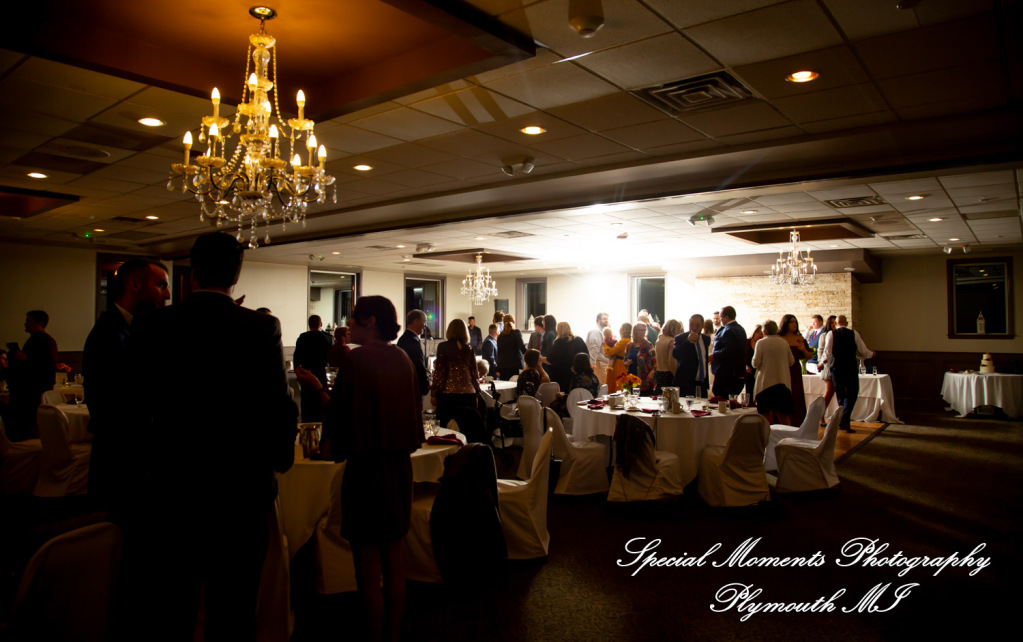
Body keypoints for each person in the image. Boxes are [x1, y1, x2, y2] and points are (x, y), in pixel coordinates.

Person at [128, 232, 297, 640]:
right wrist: (278, 458)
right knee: (235, 608)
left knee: (171, 605)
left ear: (192, 272)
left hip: (173, 486)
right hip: (241, 489)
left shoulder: (152, 324)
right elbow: (277, 404)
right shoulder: (259, 327)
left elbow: (134, 405)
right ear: (236, 276)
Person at [314, 295, 422, 642]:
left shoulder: (357, 360)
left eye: (354, 319)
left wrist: (318, 392)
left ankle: (374, 636)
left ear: (370, 320)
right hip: (397, 469)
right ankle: (391, 634)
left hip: (366, 471)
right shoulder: (403, 358)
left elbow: (343, 420)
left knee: (367, 566)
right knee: (394, 560)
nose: (348, 325)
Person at [84, 259, 170, 513]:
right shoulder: (109, 335)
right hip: (122, 466)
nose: (166, 294)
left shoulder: (132, 329)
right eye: (161, 285)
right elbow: (124, 407)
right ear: (134, 284)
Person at [5, 310, 58, 440]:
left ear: (39, 323)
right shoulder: (38, 340)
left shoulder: (45, 341)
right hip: (31, 392)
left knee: (31, 427)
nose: (25, 324)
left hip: (34, 393)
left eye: (29, 321)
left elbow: (46, 367)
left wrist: (25, 359)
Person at [825, 315, 875, 433]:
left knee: (841, 394)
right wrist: (871, 354)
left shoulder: (831, 334)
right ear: (846, 323)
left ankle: (843, 420)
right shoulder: (854, 334)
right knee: (853, 392)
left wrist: (822, 363)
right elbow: (863, 350)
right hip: (850, 366)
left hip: (837, 367)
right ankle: (845, 420)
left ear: (836, 324)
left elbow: (828, 353)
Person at [431, 319, 481, 429]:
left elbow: (439, 373)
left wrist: (434, 393)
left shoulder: (443, 347)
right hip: (469, 394)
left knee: (445, 429)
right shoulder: (469, 348)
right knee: (468, 429)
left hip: (448, 394)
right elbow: (474, 373)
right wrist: (477, 393)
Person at [751, 319, 795, 425]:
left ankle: (766, 438)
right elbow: (791, 361)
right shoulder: (784, 343)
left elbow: (755, 363)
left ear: (764, 331)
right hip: (782, 383)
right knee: (784, 417)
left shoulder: (761, 343)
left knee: (764, 416)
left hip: (765, 385)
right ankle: (788, 438)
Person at [294, 314, 333, 421]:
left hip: (307, 373)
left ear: (309, 324)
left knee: (307, 404)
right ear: (321, 324)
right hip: (322, 374)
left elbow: (296, 358)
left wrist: (299, 374)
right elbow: (331, 359)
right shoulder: (327, 338)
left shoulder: (302, 338)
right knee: (321, 404)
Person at [778, 314, 814, 426]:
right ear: (785, 324)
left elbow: (809, 355)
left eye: (795, 322)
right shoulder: (778, 337)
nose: (794, 324)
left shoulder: (799, 338)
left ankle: (797, 422)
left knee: (796, 394)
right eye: (791, 322)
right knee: (782, 394)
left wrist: (803, 349)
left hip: (795, 370)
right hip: (781, 369)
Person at [710, 305, 747, 398]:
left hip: (726, 374)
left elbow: (728, 350)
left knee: (721, 398)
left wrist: (713, 355)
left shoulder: (728, 330)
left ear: (726, 317)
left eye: (721, 317)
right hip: (737, 373)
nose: (720, 320)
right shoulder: (741, 329)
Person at [672, 314, 710, 397]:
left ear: (702, 325)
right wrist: (688, 341)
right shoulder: (681, 338)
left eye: (697, 325)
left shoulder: (706, 339)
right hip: (686, 382)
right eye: (691, 325)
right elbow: (676, 354)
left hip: (702, 382)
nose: (694, 328)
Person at [545, 321, 588, 391]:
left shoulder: (559, 342)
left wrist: (542, 359)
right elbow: (586, 354)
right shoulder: (579, 339)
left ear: (558, 330)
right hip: (579, 372)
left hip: (564, 374)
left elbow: (553, 359)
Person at [397, 309, 429, 396]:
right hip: (412, 388)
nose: (425, 325)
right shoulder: (411, 340)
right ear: (416, 321)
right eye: (424, 321)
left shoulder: (406, 338)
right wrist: (425, 386)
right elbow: (418, 365)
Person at [816, 315, 838, 422]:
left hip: (838, 366)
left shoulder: (840, 335)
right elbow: (820, 350)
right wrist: (821, 363)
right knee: (829, 392)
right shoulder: (824, 335)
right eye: (832, 322)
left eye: (835, 322)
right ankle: (820, 416)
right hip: (828, 366)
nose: (834, 324)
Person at [623, 322, 656, 394]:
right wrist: (626, 363)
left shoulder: (648, 345)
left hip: (644, 379)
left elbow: (655, 362)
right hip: (631, 378)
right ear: (635, 331)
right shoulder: (629, 345)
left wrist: (652, 373)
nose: (643, 332)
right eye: (640, 330)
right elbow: (624, 360)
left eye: (644, 330)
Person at [653, 319, 681, 392]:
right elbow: (671, 361)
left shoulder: (659, 340)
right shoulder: (671, 341)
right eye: (678, 329)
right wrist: (677, 375)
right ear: (673, 329)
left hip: (659, 372)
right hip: (668, 374)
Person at [496, 314, 525, 380]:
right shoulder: (516, 332)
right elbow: (522, 347)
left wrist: (498, 368)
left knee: (504, 388)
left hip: (503, 366)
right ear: (514, 322)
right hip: (515, 365)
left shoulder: (500, 336)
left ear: (503, 323)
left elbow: (499, 353)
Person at [604, 322, 632, 393]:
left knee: (617, 386)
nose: (619, 330)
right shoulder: (627, 340)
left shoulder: (624, 341)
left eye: (621, 328)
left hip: (619, 365)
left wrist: (605, 344)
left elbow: (611, 352)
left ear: (624, 330)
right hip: (619, 364)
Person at [744, 323, 764, 396]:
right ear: (754, 332)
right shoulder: (747, 342)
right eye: (758, 332)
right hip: (748, 369)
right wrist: (745, 366)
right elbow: (742, 356)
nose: (760, 335)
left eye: (762, 333)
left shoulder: (762, 344)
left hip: (758, 369)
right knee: (749, 390)